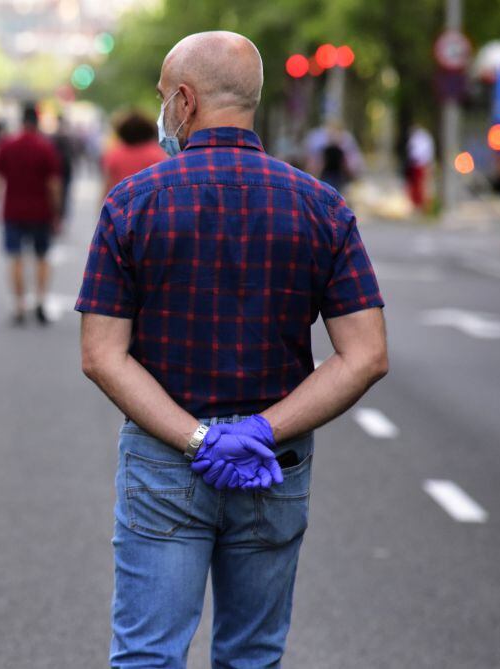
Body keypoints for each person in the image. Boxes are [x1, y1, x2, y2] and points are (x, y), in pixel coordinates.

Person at [77, 32, 388, 668]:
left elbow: (102, 354)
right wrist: (258, 432)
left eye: (164, 98)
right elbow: (366, 355)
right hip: (273, 462)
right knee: (252, 656)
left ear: (184, 102)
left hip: (167, 459)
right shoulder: (322, 207)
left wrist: (199, 440)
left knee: (148, 657)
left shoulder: (132, 204)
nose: (164, 110)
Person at [0, 103, 61, 326]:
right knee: (42, 257)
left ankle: (20, 305)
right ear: (38, 122)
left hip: (13, 210)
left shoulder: (7, 144)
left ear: (21, 121)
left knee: (16, 258)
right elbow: (54, 184)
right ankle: (40, 300)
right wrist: (57, 212)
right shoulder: (45, 147)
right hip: (41, 211)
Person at [101, 110, 168, 197]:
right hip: (149, 202)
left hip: (122, 202)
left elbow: (108, 184)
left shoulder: (114, 155)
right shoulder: (156, 154)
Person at [50, 114, 77, 223]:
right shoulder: (67, 137)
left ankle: (58, 216)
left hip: (61, 170)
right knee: (63, 194)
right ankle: (59, 216)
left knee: (61, 194)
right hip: (63, 170)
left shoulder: (54, 137)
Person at [406, 122, 435, 212]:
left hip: (420, 164)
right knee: (418, 185)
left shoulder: (419, 138)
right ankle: (418, 205)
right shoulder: (423, 137)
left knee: (420, 186)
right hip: (419, 163)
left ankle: (421, 206)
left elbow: (417, 153)